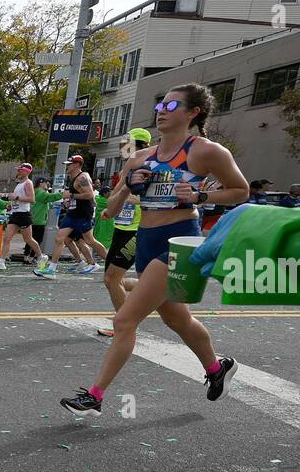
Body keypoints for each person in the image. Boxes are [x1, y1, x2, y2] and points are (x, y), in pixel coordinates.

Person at [61, 83, 248, 414]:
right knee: (177, 320)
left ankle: (95, 395)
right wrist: (129, 187)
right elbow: (112, 210)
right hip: (145, 242)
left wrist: (202, 196)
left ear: (193, 113)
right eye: (161, 104)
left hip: (179, 241)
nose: (162, 110)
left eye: (173, 106)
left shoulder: (205, 151)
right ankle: (218, 369)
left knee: (125, 320)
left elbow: (240, 191)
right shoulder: (138, 158)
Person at [97, 128, 152, 337]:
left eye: (125, 143)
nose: (122, 147)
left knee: (112, 279)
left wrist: (129, 198)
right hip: (122, 227)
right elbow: (117, 196)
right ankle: (156, 287)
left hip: (137, 230)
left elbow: (156, 199)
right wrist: (110, 208)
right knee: (110, 279)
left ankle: (123, 327)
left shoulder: (147, 166)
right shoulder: (128, 166)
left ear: (136, 144)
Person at [35, 155, 105, 278]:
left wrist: (71, 196)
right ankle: (52, 269)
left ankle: (110, 262)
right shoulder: (74, 178)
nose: (67, 166)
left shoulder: (82, 177)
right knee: (59, 238)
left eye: (70, 164)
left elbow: (89, 194)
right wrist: (69, 200)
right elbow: (77, 195)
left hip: (83, 213)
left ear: (77, 165)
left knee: (90, 241)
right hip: (73, 213)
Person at [0, 163, 45, 270]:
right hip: (15, 214)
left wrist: (16, 197)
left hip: (24, 215)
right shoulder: (19, 184)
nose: (18, 172)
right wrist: (11, 204)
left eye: (21, 170)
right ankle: (1, 261)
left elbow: (32, 199)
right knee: (6, 238)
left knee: (28, 239)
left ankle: (41, 256)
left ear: (27, 172)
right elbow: (17, 199)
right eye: (18, 170)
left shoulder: (28, 183)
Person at [29, 176, 62, 263]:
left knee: (30, 238)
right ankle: (31, 257)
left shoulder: (35, 191)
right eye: (46, 182)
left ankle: (28, 257)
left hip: (33, 218)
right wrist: (63, 194)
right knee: (36, 240)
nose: (47, 184)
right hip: (39, 220)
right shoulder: (41, 193)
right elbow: (52, 197)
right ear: (41, 183)